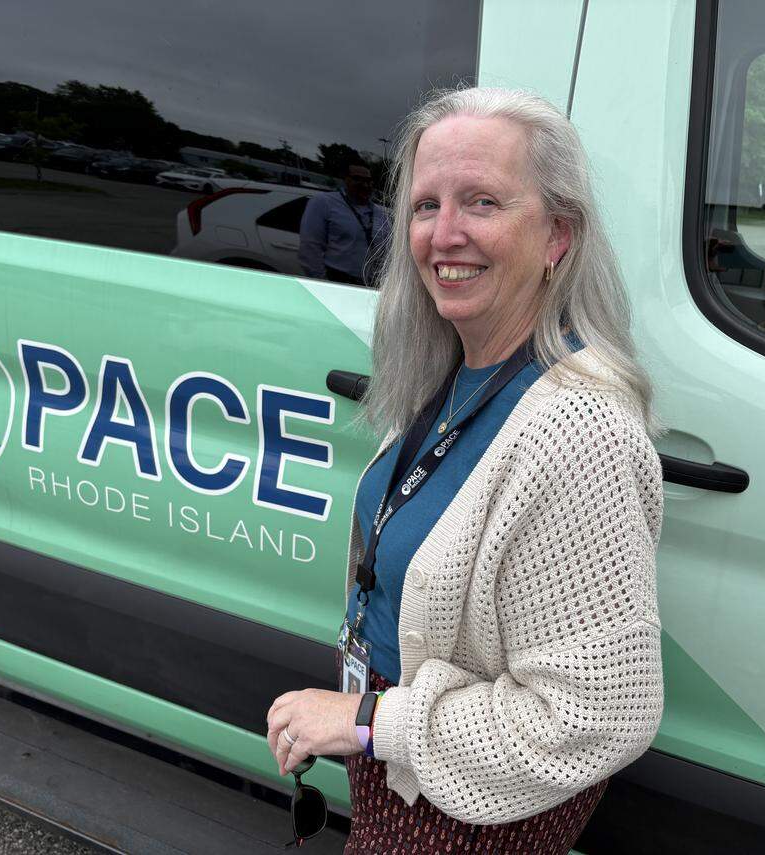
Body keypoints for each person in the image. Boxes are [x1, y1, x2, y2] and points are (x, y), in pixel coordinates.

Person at [266, 87, 664, 854]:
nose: (443, 236)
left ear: (557, 236)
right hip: (401, 770)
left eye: (481, 202)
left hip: (470, 814)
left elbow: (596, 715)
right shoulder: (458, 369)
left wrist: (367, 720)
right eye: (424, 206)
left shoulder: (578, 425)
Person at [298, 163, 391, 287]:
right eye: (357, 179)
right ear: (346, 180)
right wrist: (323, 285)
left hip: (370, 284)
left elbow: (387, 252)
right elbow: (310, 248)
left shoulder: (380, 213)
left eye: (368, 181)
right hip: (337, 280)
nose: (365, 185)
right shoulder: (323, 202)